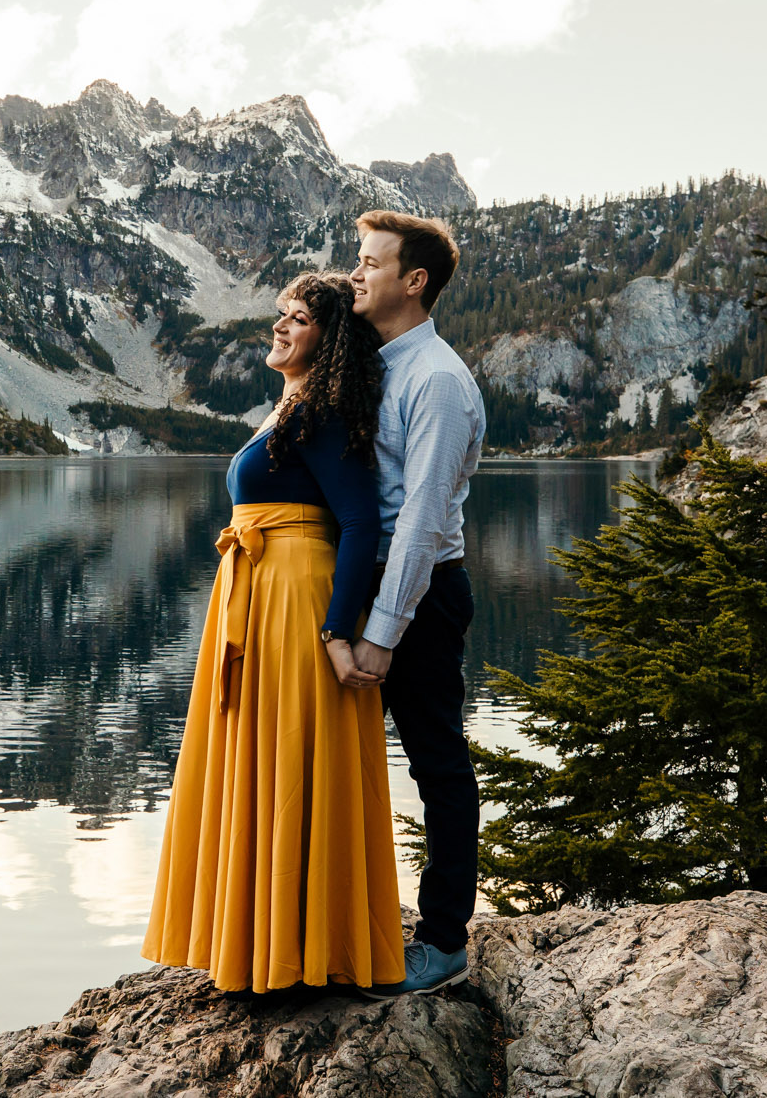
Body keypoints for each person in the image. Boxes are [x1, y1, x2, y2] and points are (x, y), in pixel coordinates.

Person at [142, 271, 404, 994]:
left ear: (330, 340)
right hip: (260, 590)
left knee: (289, 760)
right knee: (266, 759)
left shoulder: (320, 411)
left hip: (294, 597)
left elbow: (358, 523)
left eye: (299, 319)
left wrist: (336, 631)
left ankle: (295, 952)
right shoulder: (291, 405)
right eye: (280, 314)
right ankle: (270, 941)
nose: (281, 327)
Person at [344, 210, 486, 997]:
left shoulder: (437, 380)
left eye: (371, 262)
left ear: (414, 280)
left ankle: (441, 940)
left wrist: (383, 632)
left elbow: (424, 521)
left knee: (438, 766)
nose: (357, 273)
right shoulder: (385, 362)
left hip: (422, 594)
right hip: (380, 587)